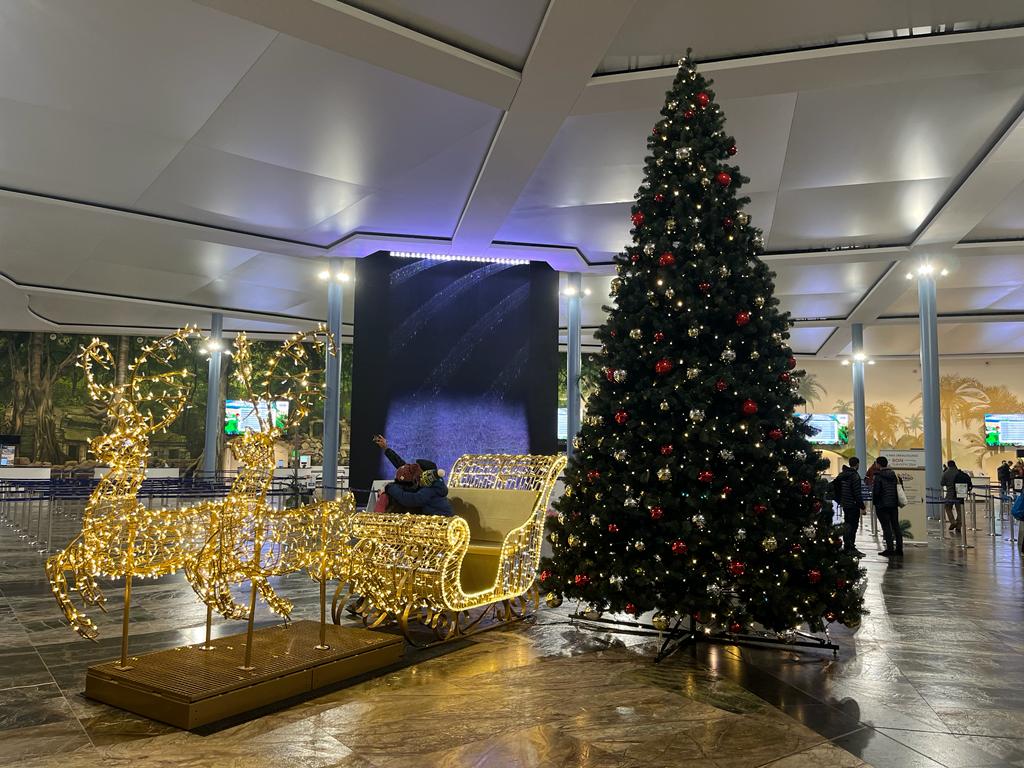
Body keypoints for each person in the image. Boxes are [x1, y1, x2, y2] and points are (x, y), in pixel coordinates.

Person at [372, 435, 453, 516]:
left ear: (425, 473)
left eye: (416, 469)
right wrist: (386, 448)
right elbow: (403, 467)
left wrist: (390, 487)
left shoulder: (430, 489)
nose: (413, 470)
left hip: (441, 520)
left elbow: (409, 500)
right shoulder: (431, 481)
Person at [833, 457, 865, 557]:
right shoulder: (855, 476)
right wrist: (862, 506)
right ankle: (850, 547)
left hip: (845, 504)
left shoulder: (842, 475)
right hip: (853, 505)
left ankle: (847, 546)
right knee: (853, 527)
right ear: (857, 464)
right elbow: (857, 493)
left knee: (847, 525)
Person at [872, 456, 903, 558]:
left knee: (886, 527)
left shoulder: (878, 476)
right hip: (893, 505)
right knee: (896, 526)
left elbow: (876, 492)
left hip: (882, 505)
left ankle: (890, 549)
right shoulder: (894, 475)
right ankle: (899, 549)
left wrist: (875, 503)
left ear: (878, 464)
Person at [941, 459, 972, 534]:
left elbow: (942, 483)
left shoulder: (946, 473)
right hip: (959, 493)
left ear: (948, 465)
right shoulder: (959, 472)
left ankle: (953, 521)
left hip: (950, 493)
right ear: (955, 465)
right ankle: (958, 526)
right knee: (959, 510)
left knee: (947, 507)